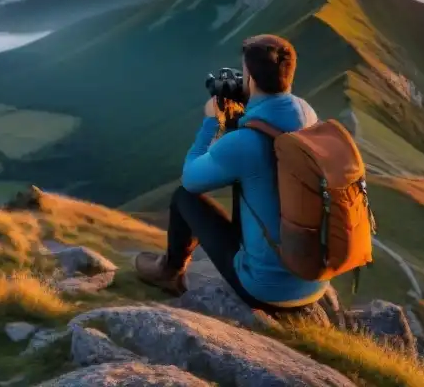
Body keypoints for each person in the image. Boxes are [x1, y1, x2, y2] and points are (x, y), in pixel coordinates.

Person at [134, 33, 329, 311]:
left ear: (250, 79)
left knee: (183, 198)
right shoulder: (308, 116)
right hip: (315, 281)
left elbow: (190, 179)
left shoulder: (246, 143)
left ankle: (168, 273)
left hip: (265, 290)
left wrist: (212, 120)